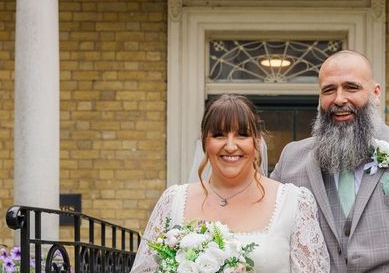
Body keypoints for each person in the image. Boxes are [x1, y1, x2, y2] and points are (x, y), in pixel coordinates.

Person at [271, 50, 389, 272]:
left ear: (375, 93)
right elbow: (267, 235)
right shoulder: (291, 159)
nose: (339, 99)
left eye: (351, 87)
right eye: (329, 90)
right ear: (319, 99)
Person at [131, 94, 330, 273]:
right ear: (204, 142)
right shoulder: (173, 202)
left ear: (257, 141)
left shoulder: (294, 202)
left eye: (242, 135)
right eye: (219, 135)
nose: (231, 146)